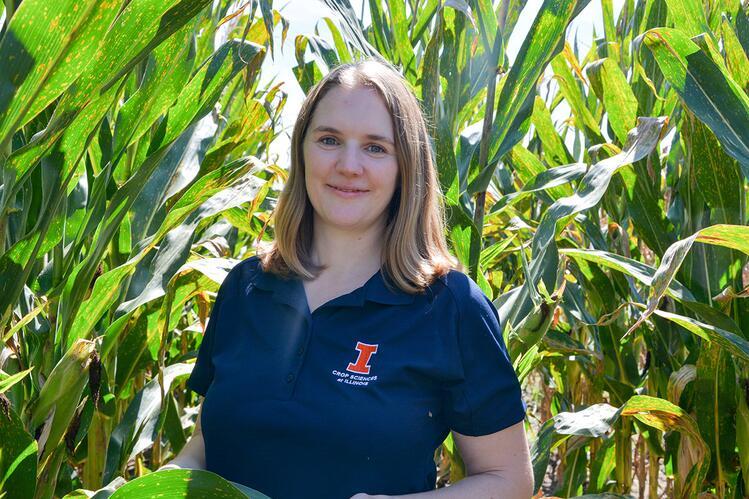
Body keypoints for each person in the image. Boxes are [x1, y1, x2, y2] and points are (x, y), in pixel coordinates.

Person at [164, 58, 534, 499]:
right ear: (302, 151)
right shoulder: (246, 288)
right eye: (329, 140)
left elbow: (507, 480)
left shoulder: (451, 308)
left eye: (376, 147)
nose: (348, 165)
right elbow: (204, 447)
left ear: (406, 168)